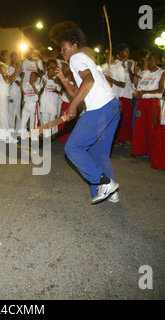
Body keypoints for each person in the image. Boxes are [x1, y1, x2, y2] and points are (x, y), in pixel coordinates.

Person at [55, 26, 121, 204]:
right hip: (112, 107)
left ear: (74, 45)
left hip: (99, 109)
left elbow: (89, 80)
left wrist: (72, 107)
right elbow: (77, 90)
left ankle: (104, 183)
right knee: (98, 153)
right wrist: (62, 78)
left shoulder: (76, 58)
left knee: (72, 148)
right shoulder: (84, 60)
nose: (61, 52)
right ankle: (111, 190)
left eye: (64, 47)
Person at [131, 52, 165, 159]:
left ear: (157, 61)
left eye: (152, 60)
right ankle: (137, 151)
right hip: (142, 101)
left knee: (153, 127)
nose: (149, 63)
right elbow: (140, 86)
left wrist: (145, 92)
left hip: (152, 102)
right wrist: (137, 91)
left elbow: (161, 89)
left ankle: (153, 153)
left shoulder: (161, 72)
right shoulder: (145, 72)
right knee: (139, 126)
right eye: (148, 60)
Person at [0, 50, 22, 143]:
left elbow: (10, 79)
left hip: (1, 93)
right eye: (5, 55)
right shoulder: (2, 66)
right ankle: (7, 137)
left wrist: (17, 72)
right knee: (4, 115)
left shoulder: (2, 66)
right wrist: (16, 71)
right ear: (2, 56)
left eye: (8, 55)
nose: (7, 57)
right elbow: (7, 81)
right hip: (1, 94)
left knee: (1, 115)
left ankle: (1, 136)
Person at [116, 43, 136, 148]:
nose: (127, 54)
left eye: (128, 52)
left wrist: (129, 69)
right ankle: (120, 138)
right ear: (120, 52)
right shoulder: (115, 64)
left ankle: (128, 139)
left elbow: (133, 79)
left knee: (128, 118)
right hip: (119, 94)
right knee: (118, 118)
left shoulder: (131, 63)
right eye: (125, 51)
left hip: (128, 93)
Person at [39, 62, 62, 138]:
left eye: (52, 72)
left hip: (53, 104)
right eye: (49, 72)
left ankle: (52, 134)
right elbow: (40, 92)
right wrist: (43, 86)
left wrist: (56, 91)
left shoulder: (57, 81)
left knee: (52, 120)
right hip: (45, 103)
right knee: (45, 120)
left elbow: (60, 92)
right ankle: (47, 136)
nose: (50, 73)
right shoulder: (44, 79)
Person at [19, 71, 41, 140]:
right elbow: (24, 93)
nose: (31, 77)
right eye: (31, 75)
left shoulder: (38, 85)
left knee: (33, 122)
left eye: (33, 76)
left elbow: (38, 93)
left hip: (33, 105)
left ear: (36, 78)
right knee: (23, 122)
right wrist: (20, 86)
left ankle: (33, 137)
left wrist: (32, 85)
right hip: (26, 105)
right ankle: (23, 136)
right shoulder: (26, 84)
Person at [8, 52, 22, 132]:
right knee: (11, 113)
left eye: (16, 57)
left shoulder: (20, 69)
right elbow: (9, 81)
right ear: (11, 58)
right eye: (14, 57)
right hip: (11, 94)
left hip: (18, 93)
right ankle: (11, 130)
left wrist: (19, 72)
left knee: (17, 113)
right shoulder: (9, 69)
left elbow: (20, 82)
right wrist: (16, 75)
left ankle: (18, 130)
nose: (15, 59)